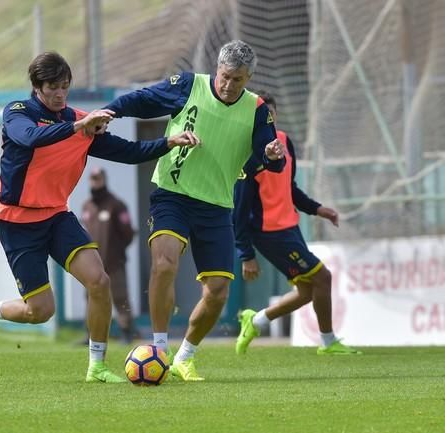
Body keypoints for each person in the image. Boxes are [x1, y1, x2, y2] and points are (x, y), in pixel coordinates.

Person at [0, 51, 200, 384]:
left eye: (65, 86)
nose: (60, 94)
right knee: (41, 311)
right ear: (37, 86)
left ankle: (97, 366)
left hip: (57, 216)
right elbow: (30, 138)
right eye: (53, 87)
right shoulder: (18, 112)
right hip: (18, 221)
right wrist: (78, 126)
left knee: (99, 281)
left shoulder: (79, 121)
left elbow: (129, 152)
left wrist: (169, 142)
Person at [104, 40, 286, 381]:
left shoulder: (258, 110)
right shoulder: (189, 85)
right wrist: (111, 110)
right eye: (225, 76)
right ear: (217, 69)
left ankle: (186, 356)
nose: (229, 84)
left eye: (238, 79)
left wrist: (275, 156)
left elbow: (269, 157)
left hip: (217, 206)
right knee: (165, 262)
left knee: (217, 291)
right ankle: (159, 348)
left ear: (248, 79)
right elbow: (144, 99)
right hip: (172, 194)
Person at [233, 91, 361, 355]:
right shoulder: (247, 155)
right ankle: (328, 342)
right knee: (323, 277)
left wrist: (317, 209)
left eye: (271, 113)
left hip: (290, 227)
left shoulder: (285, 143)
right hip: (270, 234)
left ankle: (255, 321)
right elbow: (240, 210)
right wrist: (246, 254)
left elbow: (289, 189)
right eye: (261, 115)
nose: (268, 118)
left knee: (305, 291)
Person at [81, 167, 138, 344]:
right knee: (91, 298)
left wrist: (116, 253)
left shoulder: (116, 205)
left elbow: (128, 233)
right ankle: (90, 335)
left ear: (104, 179)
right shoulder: (87, 206)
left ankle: (127, 332)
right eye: (92, 179)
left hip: (114, 263)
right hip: (92, 264)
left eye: (98, 178)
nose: (95, 182)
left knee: (121, 298)